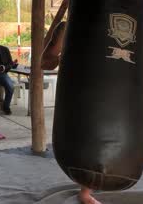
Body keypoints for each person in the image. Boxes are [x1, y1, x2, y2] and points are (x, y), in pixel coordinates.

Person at [42, 21, 100, 204]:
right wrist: (69, 56)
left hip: (113, 92)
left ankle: (87, 190)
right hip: (78, 93)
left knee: (103, 142)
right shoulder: (69, 27)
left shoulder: (126, 16)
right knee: (86, 141)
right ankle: (85, 191)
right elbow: (46, 61)